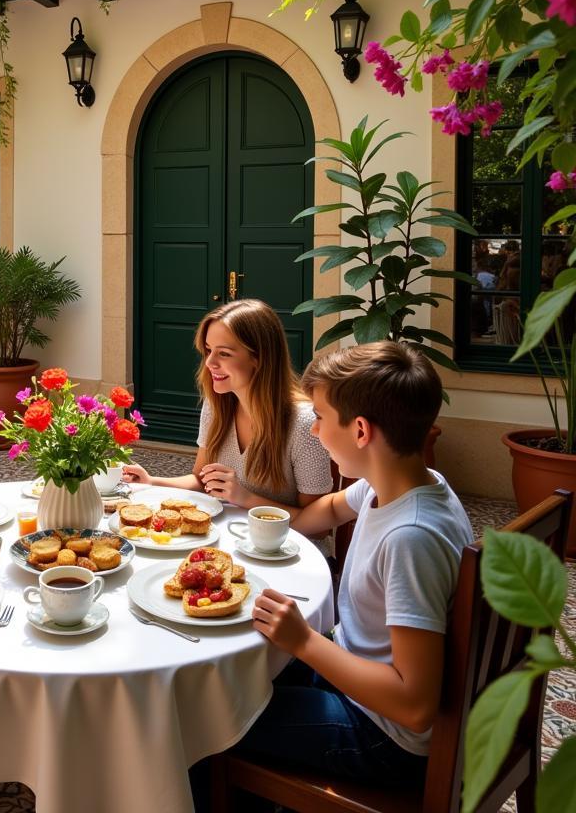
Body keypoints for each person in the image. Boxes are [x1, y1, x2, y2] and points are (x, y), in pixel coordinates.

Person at [237, 341, 474, 784]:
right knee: (239, 676)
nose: (313, 432)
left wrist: (304, 640)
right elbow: (320, 513)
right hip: (358, 674)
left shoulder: (411, 538)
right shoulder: (396, 483)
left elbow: (414, 704)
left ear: (361, 431)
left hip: (385, 735)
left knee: (217, 718)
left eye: (321, 419)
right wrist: (253, 506)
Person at [123, 299, 331, 516]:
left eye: (224, 353)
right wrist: (151, 481)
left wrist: (245, 498)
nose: (209, 362)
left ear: (259, 358)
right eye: (208, 350)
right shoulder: (216, 406)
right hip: (232, 536)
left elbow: (317, 525)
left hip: (286, 547)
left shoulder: (305, 424)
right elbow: (201, 481)